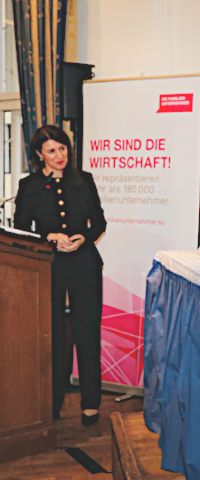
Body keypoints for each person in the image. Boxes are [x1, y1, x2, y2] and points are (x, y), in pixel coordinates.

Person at [14, 126, 106, 425]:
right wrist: (48, 236)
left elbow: (99, 222)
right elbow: (21, 229)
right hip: (46, 268)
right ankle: (50, 403)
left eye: (63, 148)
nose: (59, 156)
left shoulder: (85, 181)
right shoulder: (29, 185)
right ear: (40, 154)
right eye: (52, 150)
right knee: (50, 336)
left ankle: (91, 401)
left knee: (87, 333)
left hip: (84, 265)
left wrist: (82, 237)